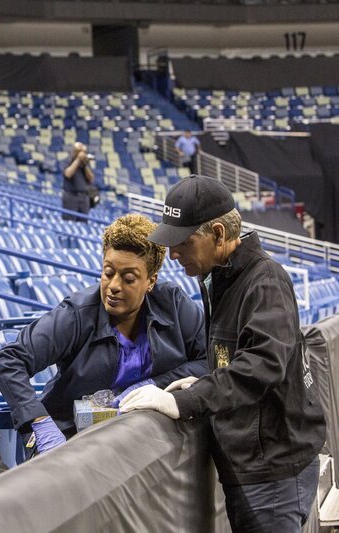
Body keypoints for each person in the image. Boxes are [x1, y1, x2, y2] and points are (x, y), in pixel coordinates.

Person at [120, 175, 326, 532]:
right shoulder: (223, 278)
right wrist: (206, 379)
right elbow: (239, 355)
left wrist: (188, 400)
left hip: (272, 469)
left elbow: (262, 365)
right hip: (256, 466)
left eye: (183, 242)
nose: (173, 254)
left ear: (218, 234)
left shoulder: (265, 281)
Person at [0, 214, 208, 455]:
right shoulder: (76, 314)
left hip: (149, 435)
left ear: (150, 282)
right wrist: (39, 425)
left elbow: (209, 360)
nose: (114, 286)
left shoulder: (173, 304)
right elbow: (9, 361)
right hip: (76, 440)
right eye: (108, 273)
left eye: (128, 279)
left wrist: (153, 385)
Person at [61, 142, 95, 221]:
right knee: (69, 220)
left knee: (83, 221)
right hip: (71, 196)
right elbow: (68, 174)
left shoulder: (85, 164)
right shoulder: (67, 161)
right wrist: (78, 160)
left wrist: (85, 165)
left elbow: (91, 178)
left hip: (84, 197)